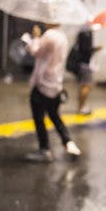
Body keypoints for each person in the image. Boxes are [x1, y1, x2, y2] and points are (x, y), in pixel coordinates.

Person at [24, 24, 81, 162]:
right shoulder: (63, 37)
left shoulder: (49, 35)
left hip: (43, 83)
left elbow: (36, 52)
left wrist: (34, 38)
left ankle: (45, 150)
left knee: (39, 117)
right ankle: (69, 143)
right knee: (54, 115)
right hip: (56, 84)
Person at [74, 26, 100, 115]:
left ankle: (81, 106)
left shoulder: (81, 33)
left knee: (83, 86)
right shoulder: (87, 34)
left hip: (81, 64)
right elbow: (87, 50)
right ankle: (81, 107)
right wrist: (95, 49)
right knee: (86, 86)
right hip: (86, 65)